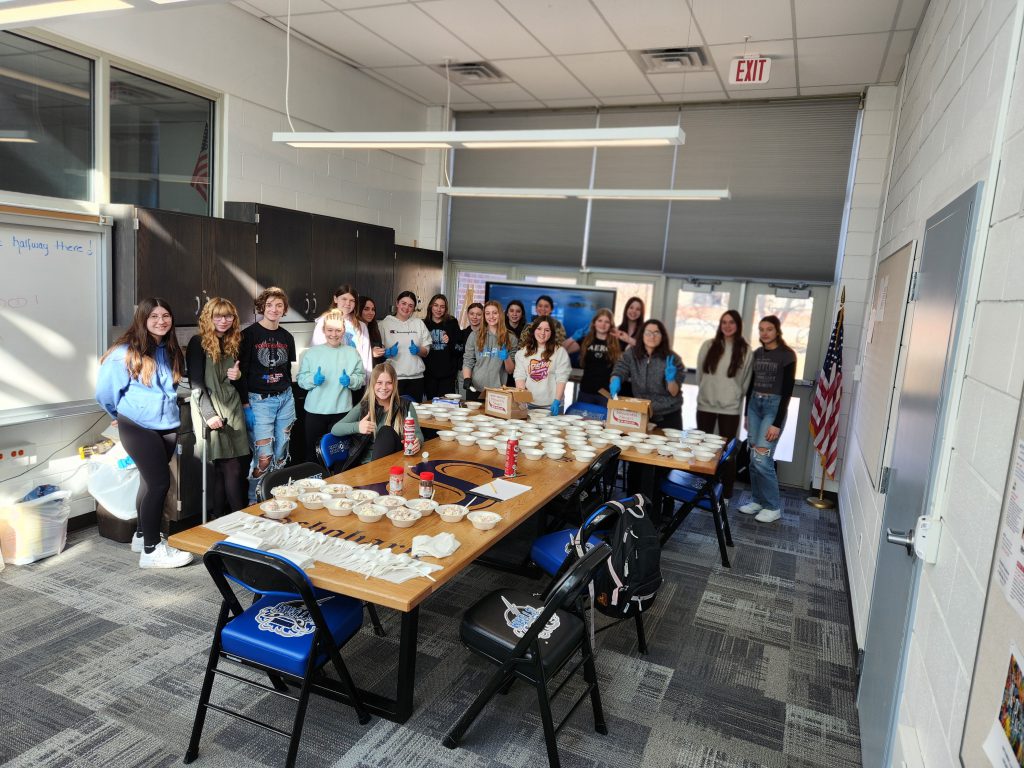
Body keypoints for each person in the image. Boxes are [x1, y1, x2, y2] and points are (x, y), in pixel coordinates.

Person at [96, 298, 192, 569]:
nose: (161, 321)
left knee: (149, 483)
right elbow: (104, 394)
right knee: (161, 483)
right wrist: (120, 415)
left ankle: (141, 535)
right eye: (154, 316)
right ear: (142, 319)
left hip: (168, 425)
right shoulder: (122, 352)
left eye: (166, 315)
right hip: (138, 425)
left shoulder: (170, 349)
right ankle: (151, 551)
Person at [186, 298, 249, 520]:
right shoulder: (198, 343)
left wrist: (238, 377)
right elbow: (196, 382)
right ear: (209, 318)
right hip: (210, 407)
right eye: (218, 316)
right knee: (231, 467)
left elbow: (238, 378)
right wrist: (209, 415)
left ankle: (218, 517)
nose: (224, 321)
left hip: (232, 408)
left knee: (225, 469)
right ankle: (241, 520)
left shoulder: (233, 342)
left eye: (228, 316)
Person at [236, 286, 296, 503]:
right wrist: (245, 404)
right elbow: (240, 374)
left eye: (279, 305)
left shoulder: (287, 337)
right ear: (262, 307)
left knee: (281, 453)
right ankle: (254, 502)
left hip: (285, 399)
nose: (274, 309)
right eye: (269, 305)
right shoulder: (248, 335)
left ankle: (275, 499)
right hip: (259, 402)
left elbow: (286, 369)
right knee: (264, 457)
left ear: (284, 309)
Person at [738, 315, 797, 524]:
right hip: (755, 406)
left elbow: (788, 391)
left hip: (774, 408)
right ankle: (757, 500)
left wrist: (777, 423)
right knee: (753, 458)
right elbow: (750, 386)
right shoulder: (757, 353)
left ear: (777, 331)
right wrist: (746, 413)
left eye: (769, 329)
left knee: (762, 459)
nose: (764, 333)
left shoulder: (787, 355)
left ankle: (773, 507)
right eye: (761, 329)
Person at [694, 310, 752, 507]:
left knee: (728, 451)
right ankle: (702, 490)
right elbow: (699, 375)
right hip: (706, 404)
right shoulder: (708, 345)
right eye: (724, 322)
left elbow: (745, 382)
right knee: (703, 449)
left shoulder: (745, 350)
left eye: (731, 322)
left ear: (738, 325)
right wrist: (706, 393)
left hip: (730, 408)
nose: (727, 326)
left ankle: (725, 494)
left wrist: (733, 395)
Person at [297, 310, 366, 461]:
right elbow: (301, 379)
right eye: (329, 330)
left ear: (344, 331)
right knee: (313, 454)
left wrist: (351, 380)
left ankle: (337, 483)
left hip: (342, 413)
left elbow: (361, 378)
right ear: (323, 330)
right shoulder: (312, 353)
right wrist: (313, 380)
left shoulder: (352, 353)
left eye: (338, 330)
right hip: (315, 412)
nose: (334, 334)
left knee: (340, 455)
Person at [331, 362, 423, 464]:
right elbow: (335, 429)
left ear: (394, 384)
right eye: (379, 382)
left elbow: (418, 435)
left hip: (396, 462)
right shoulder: (364, 406)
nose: (384, 387)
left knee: (386, 431)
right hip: (366, 466)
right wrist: (358, 427)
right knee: (386, 431)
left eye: (389, 383)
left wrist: (417, 442)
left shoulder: (406, 406)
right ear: (372, 384)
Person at [610, 319, 685, 429]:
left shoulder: (672, 359)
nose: (652, 336)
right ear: (642, 335)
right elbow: (620, 370)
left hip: (667, 415)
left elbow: (674, 392)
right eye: (648, 333)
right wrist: (615, 380)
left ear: (662, 336)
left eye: (656, 333)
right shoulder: (632, 353)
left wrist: (671, 380)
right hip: (641, 412)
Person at [313, 285, 372, 401]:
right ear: (335, 299)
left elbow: (366, 358)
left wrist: (367, 384)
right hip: (331, 383)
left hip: (355, 382)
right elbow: (317, 354)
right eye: (344, 299)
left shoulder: (361, 326)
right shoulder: (323, 323)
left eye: (352, 300)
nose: (348, 303)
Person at [378, 290, 432, 402]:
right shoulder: (384, 324)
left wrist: (418, 350)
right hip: (393, 378)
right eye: (403, 303)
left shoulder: (419, 324)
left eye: (410, 305)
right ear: (397, 303)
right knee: (394, 413)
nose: (406, 308)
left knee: (413, 414)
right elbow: (377, 352)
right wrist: (387, 352)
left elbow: (426, 351)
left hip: (416, 378)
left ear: (414, 308)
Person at [514, 317, 572, 415]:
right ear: (534, 330)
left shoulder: (560, 352)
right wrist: (522, 399)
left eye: (547, 330)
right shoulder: (521, 353)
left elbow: (562, 378)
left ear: (551, 333)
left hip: (553, 405)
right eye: (539, 329)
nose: (542, 333)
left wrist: (557, 400)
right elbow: (520, 376)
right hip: (529, 404)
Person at [564, 308, 621, 407]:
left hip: (606, 393)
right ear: (594, 323)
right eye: (600, 321)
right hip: (586, 391)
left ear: (611, 325)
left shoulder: (616, 343)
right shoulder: (585, 341)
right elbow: (562, 351)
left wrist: (623, 339)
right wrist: (572, 338)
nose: (603, 324)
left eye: (606, 322)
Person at [463, 299, 518, 397]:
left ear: (500, 314)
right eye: (487, 313)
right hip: (475, 388)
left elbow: (510, 370)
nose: (491, 316)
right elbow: (468, 360)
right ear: (484, 316)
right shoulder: (474, 335)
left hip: (499, 390)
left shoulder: (511, 338)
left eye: (494, 313)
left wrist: (507, 357)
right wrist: (467, 378)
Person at [423, 293, 463, 400]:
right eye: (436, 305)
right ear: (430, 306)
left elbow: (460, 349)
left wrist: (450, 342)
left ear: (445, 309)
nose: (438, 309)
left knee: (447, 407)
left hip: (448, 376)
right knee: (431, 406)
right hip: (429, 375)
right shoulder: (423, 324)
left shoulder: (452, 323)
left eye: (442, 306)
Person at [359, 295, 387, 370]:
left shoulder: (374, 329)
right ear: (359, 310)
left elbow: (379, 359)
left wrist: (385, 353)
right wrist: (370, 353)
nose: (371, 312)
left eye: (373, 309)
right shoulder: (353, 331)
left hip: (374, 373)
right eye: (366, 309)